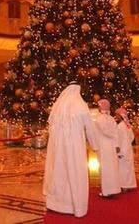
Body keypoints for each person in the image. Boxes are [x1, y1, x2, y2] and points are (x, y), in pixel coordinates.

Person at [43, 80, 98, 218]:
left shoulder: (58, 105)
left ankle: (56, 204)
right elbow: (90, 128)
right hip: (75, 146)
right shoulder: (81, 105)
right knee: (75, 172)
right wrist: (95, 145)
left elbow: (51, 127)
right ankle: (76, 207)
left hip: (58, 147)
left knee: (59, 172)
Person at [95, 99, 121, 198]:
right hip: (111, 145)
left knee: (105, 168)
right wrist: (116, 143)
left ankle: (107, 191)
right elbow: (115, 132)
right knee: (112, 168)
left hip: (104, 145)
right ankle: (113, 189)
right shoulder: (110, 118)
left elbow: (105, 131)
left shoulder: (100, 118)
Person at [115, 107, 137, 192]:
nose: (116, 116)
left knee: (123, 168)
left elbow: (118, 139)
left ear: (120, 116)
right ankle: (130, 185)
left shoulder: (120, 126)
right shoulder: (128, 125)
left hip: (122, 150)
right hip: (128, 149)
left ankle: (124, 186)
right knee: (129, 168)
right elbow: (132, 137)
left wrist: (119, 150)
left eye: (117, 114)